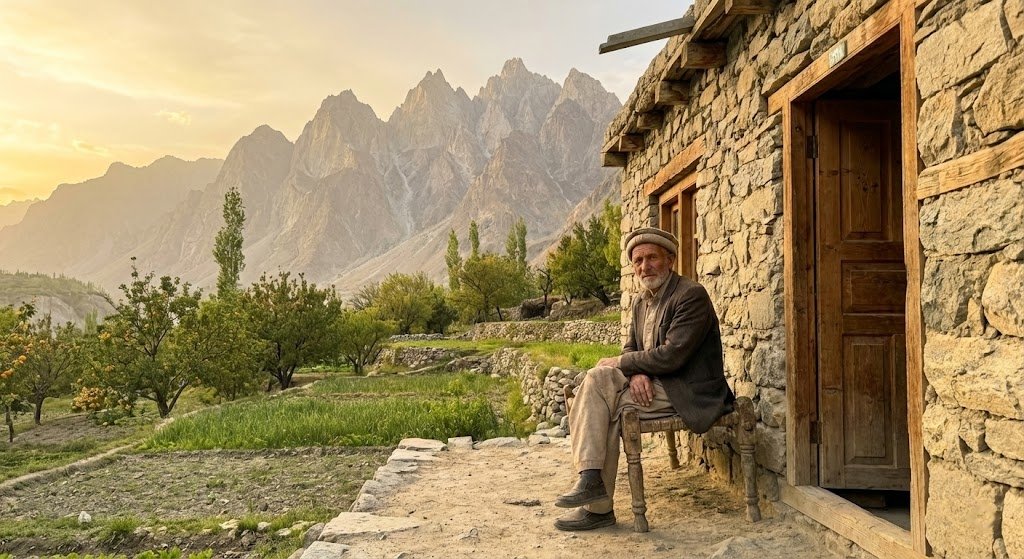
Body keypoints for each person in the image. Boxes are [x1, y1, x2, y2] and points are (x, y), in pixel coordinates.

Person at [553, 227, 735, 531]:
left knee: (605, 405)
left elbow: (672, 355)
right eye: (638, 261)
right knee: (601, 385)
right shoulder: (641, 302)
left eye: (652, 258)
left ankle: (596, 504)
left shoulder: (691, 295)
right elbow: (631, 347)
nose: (644, 266)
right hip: (658, 384)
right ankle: (591, 484)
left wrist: (625, 364)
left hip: (689, 390)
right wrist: (636, 371)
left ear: (671, 260)